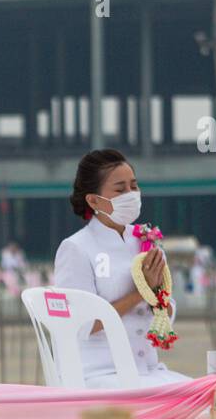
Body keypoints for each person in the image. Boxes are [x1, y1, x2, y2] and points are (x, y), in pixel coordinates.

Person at [52, 148, 189, 391]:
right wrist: (139, 292)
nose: (131, 194)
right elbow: (82, 325)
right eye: (120, 189)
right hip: (98, 373)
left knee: (204, 397)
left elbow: (166, 315)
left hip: (147, 369)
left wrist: (158, 291)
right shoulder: (76, 248)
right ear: (93, 200)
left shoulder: (146, 240)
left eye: (134, 186)